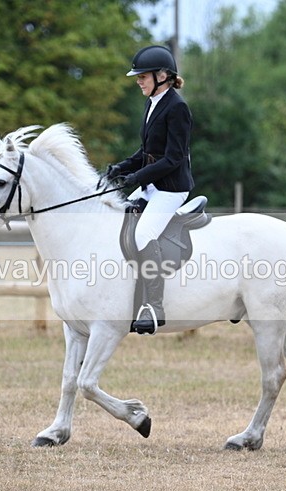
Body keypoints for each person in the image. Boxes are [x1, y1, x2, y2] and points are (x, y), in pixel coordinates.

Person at [106, 45, 194, 335]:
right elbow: (147, 150)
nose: (138, 81)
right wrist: (121, 167)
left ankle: (154, 305)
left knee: (144, 233)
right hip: (152, 184)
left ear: (162, 76)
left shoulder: (177, 107)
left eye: (142, 76)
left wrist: (136, 177)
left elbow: (173, 158)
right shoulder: (152, 102)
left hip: (171, 189)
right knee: (117, 216)